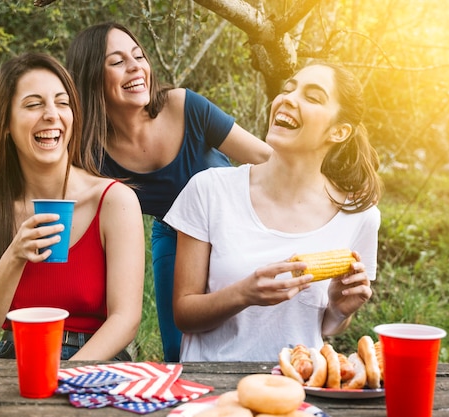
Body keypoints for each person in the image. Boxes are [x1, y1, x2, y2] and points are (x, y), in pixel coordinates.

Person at [66, 22, 272, 362]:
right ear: (91, 78)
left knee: (246, 339)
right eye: (117, 61)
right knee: (179, 352)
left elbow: (265, 158)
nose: (136, 67)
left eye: (139, 56)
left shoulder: (183, 106)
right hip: (174, 235)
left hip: (238, 231)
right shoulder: (91, 152)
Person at [164, 62, 383, 362]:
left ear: (339, 131)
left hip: (302, 385)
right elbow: (184, 314)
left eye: (313, 97)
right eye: (288, 89)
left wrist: (339, 309)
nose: (288, 99)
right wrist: (244, 294)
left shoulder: (360, 217)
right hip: (211, 385)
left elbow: (329, 327)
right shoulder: (210, 189)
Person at [0, 52, 145, 361]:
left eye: (62, 102)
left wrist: (63, 377)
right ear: (5, 123)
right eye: (33, 104)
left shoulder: (114, 201)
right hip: (14, 358)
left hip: (94, 361)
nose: (52, 115)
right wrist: (14, 257)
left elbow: (125, 319)